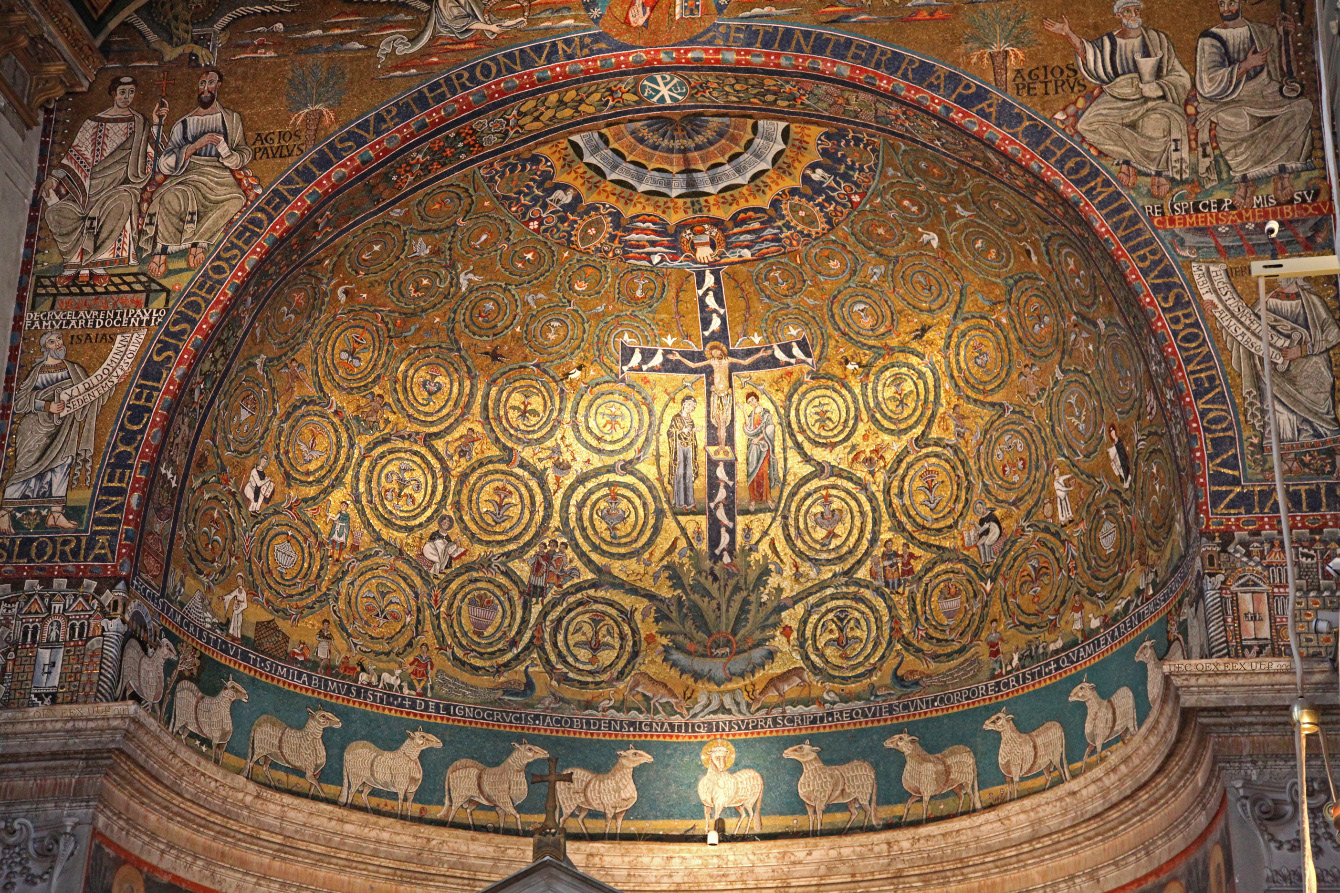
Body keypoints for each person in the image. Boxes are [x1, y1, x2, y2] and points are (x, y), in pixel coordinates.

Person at [1044, 0, 1191, 197]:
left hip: (1150, 96)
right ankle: (1127, 158)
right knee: (1088, 124)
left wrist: (1157, 87)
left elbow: (1178, 75)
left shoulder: (1157, 39)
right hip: (1117, 96)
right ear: (1119, 16)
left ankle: (1158, 172)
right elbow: (1089, 54)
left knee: (1157, 122)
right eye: (1128, 11)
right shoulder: (1108, 43)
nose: (1134, 15)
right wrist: (1068, 33)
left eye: (1136, 10)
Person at [42, 76, 163, 285]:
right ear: (113, 94)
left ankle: (98, 263)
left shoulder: (139, 122)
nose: (127, 97)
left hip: (122, 186)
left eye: (131, 92)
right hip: (89, 186)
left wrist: (155, 123)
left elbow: (149, 153)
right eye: (123, 92)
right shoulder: (93, 122)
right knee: (57, 212)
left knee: (123, 201)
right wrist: (54, 178)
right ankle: (72, 263)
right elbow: (75, 154)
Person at [1195, 0, 1313, 208]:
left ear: (1240, 3)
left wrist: (1285, 37)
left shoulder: (1262, 31)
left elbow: (1284, 70)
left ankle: (1283, 172)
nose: (1227, 9)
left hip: (1266, 94)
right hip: (1231, 100)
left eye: (1231, 2)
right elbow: (1209, 82)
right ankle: (1244, 181)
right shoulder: (1210, 38)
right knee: (1240, 122)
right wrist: (1246, 65)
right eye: (1221, 4)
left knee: (1301, 108)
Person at [140, 69, 255, 277]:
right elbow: (165, 162)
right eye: (202, 83)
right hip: (188, 173)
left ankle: (199, 242)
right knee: (171, 197)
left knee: (235, 200)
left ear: (218, 85)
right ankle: (162, 250)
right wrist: (195, 146)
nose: (205, 89)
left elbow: (244, 152)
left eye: (211, 83)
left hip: (219, 175)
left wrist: (226, 152)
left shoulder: (231, 119)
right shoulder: (183, 123)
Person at [0, 332, 109, 532]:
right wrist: (46, 405)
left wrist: (112, 384)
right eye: (52, 341)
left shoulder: (74, 369)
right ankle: (4, 515)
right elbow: (20, 401)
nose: (58, 344)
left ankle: (56, 514)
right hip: (35, 429)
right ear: (45, 347)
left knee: (63, 465)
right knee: (25, 469)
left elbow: (92, 394)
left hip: (65, 427)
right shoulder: (38, 371)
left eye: (59, 340)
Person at [1228, 277, 1340, 444]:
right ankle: (1287, 463)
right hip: (1276, 375)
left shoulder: (1312, 301)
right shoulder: (1264, 301)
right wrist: (1218, 313)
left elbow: (1333, 334)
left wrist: (1303, 350)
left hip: (1311, 374)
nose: (1281, 278)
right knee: (1280, 415)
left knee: (1320, 423)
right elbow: (1244, 331)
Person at [375, 0, 525, 62]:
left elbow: (485, 7)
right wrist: (489, 28)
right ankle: (499, 25)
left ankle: (503, 24)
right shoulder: (444, 1)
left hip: (473, 24)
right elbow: (460, 22)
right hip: (453, 29)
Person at [741, 392, 779, 505]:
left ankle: (767, 497)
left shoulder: (766, 414)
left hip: (763, 445)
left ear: (756, 399)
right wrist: (743, 410)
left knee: (764, 471)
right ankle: (753, 498)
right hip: (752, 446)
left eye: (752, 400)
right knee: (752, 470)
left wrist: (758, 438)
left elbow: (770, 429)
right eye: (749, 402)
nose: (752, 403)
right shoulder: (751, 414)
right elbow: (748, 427)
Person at [667, 395, 699, 510]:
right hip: (679, 448)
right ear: (684, 404)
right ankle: (680, 503)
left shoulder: (691, 420)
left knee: (688, 473)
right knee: (680, 473)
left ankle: (690, 502)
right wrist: (680, 431)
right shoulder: (676, 418)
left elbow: (691, 435)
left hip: (689, 448)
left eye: (693, 407)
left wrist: (694, 431)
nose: (691, 408)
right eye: (689, 405)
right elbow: (670, 433)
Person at [222, 574, 249, 639]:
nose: (238, 581)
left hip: (239, 610)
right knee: (233, 623)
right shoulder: (237, 590)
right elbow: (231, 595)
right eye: (237, 579)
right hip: (235, 609)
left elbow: (245, 604)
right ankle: (231, 635)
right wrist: (224, 597)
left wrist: (239, 605)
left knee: (238, 624)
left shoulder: (244, 592)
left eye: (240, 579)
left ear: (242, 580)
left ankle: (238, 638)